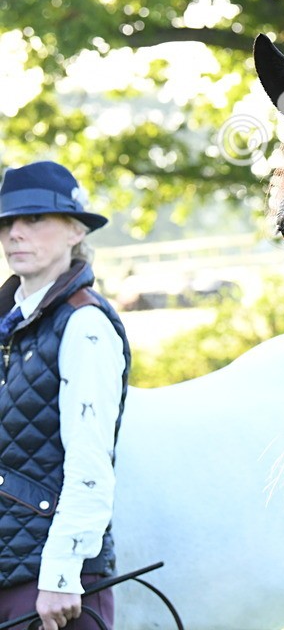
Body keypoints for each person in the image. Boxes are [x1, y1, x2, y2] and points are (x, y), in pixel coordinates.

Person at [0, 162, 131, 630]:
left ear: (76, 229)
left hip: (50, 587)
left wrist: (59, 573)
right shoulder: (9, 327)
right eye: (7, 222)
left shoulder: (85, 325)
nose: (16, 233)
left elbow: (90, 461)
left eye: (34, 219)